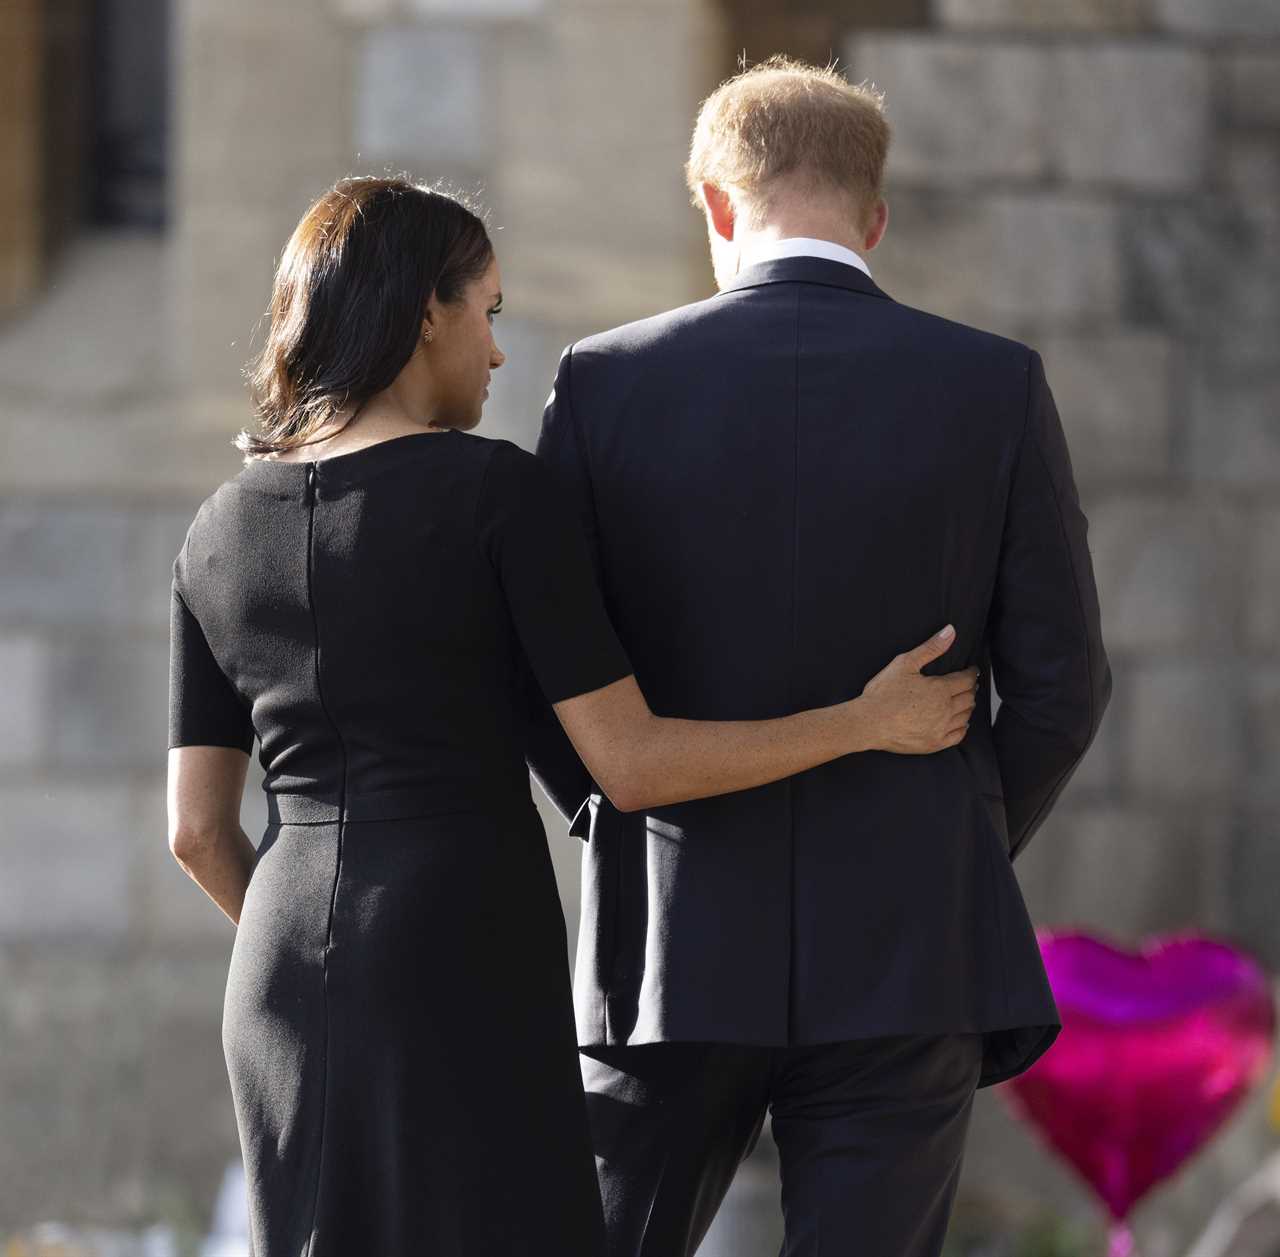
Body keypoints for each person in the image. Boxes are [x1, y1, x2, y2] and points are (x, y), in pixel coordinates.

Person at [165, 174, 979, 1257]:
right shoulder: (493, 494)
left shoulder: (215, 529)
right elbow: (628, 763)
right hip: (456, 943)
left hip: (272, 971)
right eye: (486, 311)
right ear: (424, 314)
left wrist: (321, 963)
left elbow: (197, 832)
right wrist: (863, 721)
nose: (495, 353)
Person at [526, 57, 1113, 1257]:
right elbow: (1061, 686)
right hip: (906, 948)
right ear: (876, 217)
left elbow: (543, 664)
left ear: (712, 203)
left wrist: (623, 819)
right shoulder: (993, 386)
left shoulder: (602, 382)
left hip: (671, 944)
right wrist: (945, 832)